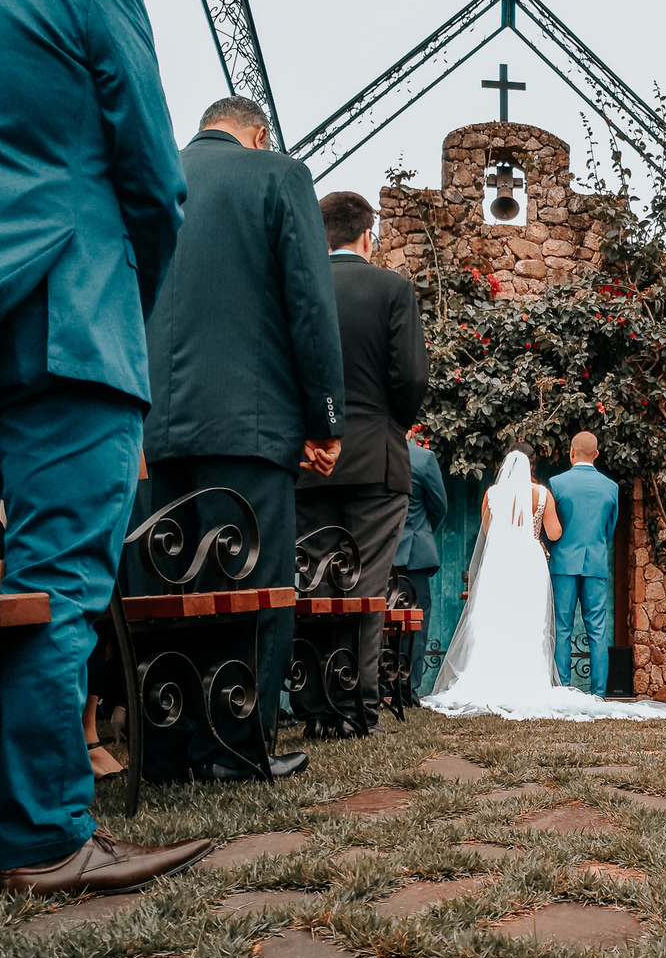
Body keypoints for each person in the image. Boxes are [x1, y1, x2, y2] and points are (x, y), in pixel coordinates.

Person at [0, 0, 212, 894]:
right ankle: (47, 839)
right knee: (56, 582)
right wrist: (127, 305)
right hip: (66, 319)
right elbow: (154, 181)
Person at [139, 95, 345, 780]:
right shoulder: (277, 175)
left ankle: (167, 750)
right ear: (258, 135)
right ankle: (233, 749)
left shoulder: (150, 171)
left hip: (154, 425)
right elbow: (309, 306)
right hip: (248, 426)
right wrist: (323, 420)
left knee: (171, 589)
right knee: (254, 587)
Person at [296, 192, 429, 737]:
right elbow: (412, 378)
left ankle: (313, 710)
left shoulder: (299, 286)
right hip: (376, 455)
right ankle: (355, 709)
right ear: (367, 236)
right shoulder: (393, 289)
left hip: (308, 460)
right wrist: (386, 424)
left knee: (313, 580)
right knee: (365, 585)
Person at [426, 446, 666, 721]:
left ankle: (492, 676)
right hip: (529, 562)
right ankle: (532, 682)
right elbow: (554, 531)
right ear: (533, 467)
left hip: (499, 562)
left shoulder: (492, 495)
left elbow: (489, 532)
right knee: (531, 622)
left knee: (496, 619)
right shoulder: (542, 495)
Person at [548, 432, 620, 698]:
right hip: (596, 563)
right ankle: (599, 694)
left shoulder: (556, 483)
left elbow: (551, 528)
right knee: (597, 629)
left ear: (571, 452)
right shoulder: (610, 487)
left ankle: (563, 689)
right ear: (597, 454)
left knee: (563, 627)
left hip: (563, 563)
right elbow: (609, 528)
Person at [393, 429, 449, 697]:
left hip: (376, 554)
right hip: (415, 553)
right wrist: (421, 532)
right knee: (415, 622)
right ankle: (407, 687)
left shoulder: (369, 455)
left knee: (376, 621)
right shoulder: (423, 458)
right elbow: (438, 506)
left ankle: (379, 685)